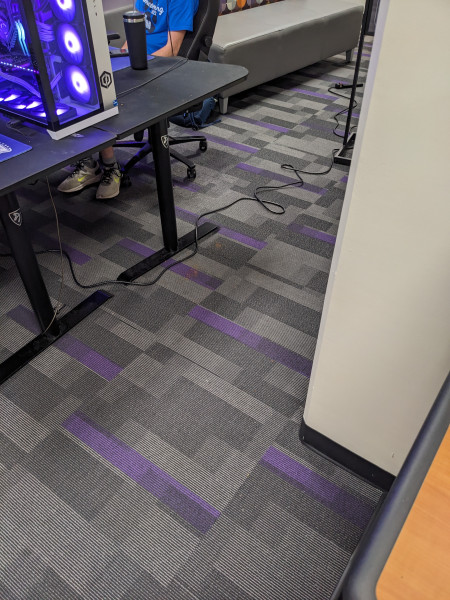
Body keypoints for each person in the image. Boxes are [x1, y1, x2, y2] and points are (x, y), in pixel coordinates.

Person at [58, 0, 199, 199]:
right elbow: (133, 35)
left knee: (101, 95)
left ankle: (110, 168)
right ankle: (88, 164)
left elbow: (172, 50)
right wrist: (120, 57)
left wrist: (135, 67)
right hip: (137, 62)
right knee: (79, 83)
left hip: (159, 67)